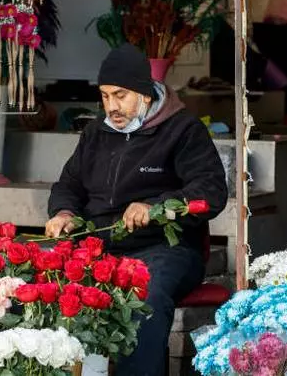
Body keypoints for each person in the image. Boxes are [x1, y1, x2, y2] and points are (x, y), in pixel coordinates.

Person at [45, 43, 228, 376]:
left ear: (145, 94)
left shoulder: (183, 130)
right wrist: (64, 213)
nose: (111, 107)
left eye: (120, 95)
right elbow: (68, 186)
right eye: (104, 97)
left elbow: (211, 192)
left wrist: (155, 207)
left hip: (166, 250)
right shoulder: (95, 133)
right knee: (43, 286)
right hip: (99, 246)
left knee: (142, 296)